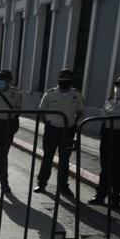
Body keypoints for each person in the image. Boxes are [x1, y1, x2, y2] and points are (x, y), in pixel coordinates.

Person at [88, 75, 120, 208]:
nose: (118, 88)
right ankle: (100, 195)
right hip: (108, 135)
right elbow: (103, 116)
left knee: (118, 168)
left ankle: (115, 198)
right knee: (105, 167)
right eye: (117, 85)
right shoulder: (110, 100)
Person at [34, 68, 85, 198]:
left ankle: (63, 186)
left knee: (64, 159)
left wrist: (73, 123)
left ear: (71, 80)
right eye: (63, 78)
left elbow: (80, 111)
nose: (65, 81)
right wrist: (47, 123)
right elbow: (41, 110)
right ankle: (42, 183)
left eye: (68, 79)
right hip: (52, 129)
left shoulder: (76, 94)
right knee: (47, 157)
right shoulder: (50, 93)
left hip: (68, 131)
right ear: (58, 79)